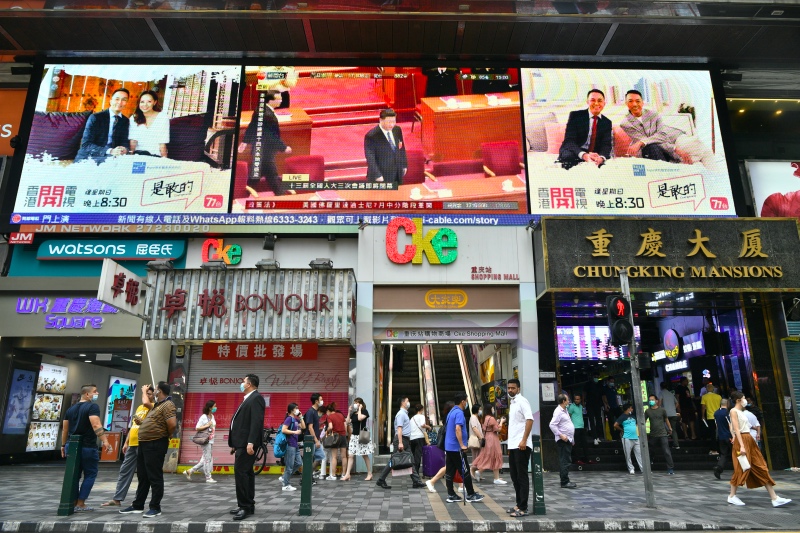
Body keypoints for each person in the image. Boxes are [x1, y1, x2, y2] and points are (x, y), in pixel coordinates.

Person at [620, 89, 718, 170]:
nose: (634, 104)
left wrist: (641, 142)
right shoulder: (625, 124)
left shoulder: (653, 114)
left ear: (642, 102)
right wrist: (674, 148)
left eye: (638, 101)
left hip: (675, 137)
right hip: (663, 147)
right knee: (698, 156)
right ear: (626, 103)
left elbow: (661, 135)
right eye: (630, 101)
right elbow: (651, 142)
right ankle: (707, 174)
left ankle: (715, 177)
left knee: (703, 151)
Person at [120, 381, 176, 518]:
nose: (154, 391)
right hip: (144, 444)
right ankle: (138, 505)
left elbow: (172, 424)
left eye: (156, 389)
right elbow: (156, 422)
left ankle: (155, 507)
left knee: (154, 475)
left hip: (155, 444)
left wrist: (165, 434)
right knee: (143, 476)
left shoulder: (168, 405)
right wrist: (143, 423)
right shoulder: (157, 406)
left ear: (160, 391)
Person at [727, 391, 791, 507]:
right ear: (738, 400)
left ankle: (774, 498)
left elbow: (742, 426)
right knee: (741, 468)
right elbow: (736, 429)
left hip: (749, 440)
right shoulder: (733, 411)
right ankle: (732, 496)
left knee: (760, 466)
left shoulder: (741, 412)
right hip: (742, 440)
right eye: (743, 398)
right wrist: (741, 445)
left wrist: (755, 429)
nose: (745, 400)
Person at [60, 384, 114, 512]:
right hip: (88, 446)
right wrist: (105, 442)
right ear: (87, 394)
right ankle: (81, 503)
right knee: (90, 474)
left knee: (74, 475)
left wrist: (63, 445)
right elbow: (96, 425)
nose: (97, 394)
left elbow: (65, 429)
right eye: (95, 392)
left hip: (71, 446)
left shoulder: (70, 409)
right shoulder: (92, 407)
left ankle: (73, 502)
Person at [102, 385, 155, 507]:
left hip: (144, 443)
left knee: (144, 474)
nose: (147, 395)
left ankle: (140, 501)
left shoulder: (153, 407)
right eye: (146, 393)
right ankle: (117, 499)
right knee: (125, 470)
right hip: (133, 443)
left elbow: (146, 403)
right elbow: (133, 427)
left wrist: (143, 391)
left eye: (150, 393)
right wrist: (126, 442)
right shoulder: (139, 408)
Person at [226, 374, 265, 521]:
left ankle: (245, 506)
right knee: (246, 473)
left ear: (249, 384)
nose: (241, 384)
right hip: (241, 443)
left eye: (243, 381)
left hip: (247, 444)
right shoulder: (248, 399)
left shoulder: (256, 398)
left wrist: (250, 442)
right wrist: (236, 444)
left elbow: (256, 422)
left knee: (241, 473)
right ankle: (247, 504)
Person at [238, 90, 292, 195]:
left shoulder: (260, 109)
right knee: (273, 179)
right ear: (270, 101)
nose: (281, 101)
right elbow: (270, 135)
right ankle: (283, 200)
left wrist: (245, 142)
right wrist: (284, 148)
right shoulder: (268, 115)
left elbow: (252, 126)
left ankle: (241, 195)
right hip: (266, 152)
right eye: (278, 99)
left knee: (255, 177)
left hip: (259, 151)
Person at [375, 396, 426, 490]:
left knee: (411, 459)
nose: (408, 402)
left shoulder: (404, 414)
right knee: (393, 460)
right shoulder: (401, 414)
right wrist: (400, 442)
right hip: (401, 440)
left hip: (405, 440)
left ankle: (416, 481)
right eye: (407, 401)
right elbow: (399, 428)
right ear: (403, 403)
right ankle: (381, 479)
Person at [444, 393, 484, 503]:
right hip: (457, 448)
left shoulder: (451, 412)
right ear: (462, 401)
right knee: (465, 470)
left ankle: (451, 494)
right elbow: (458, 429)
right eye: (466, 401)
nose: (466, 403)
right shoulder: (459, 413)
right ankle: (471, 494)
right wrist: (462, 444)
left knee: (450, 471)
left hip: (449, 447)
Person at [558, 89, 612, 169]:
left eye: (600, 101)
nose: (596, 103)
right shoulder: (575, 116)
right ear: (588, 102)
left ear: (604, 103)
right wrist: (583, 155)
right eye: (592, 100)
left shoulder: (607, 122)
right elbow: (569, 140)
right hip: (574, 150)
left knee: (604, 166)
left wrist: (601, 158)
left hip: (593, 154)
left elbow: (606, 145)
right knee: (568, 157)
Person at [75, 88, 130, 163]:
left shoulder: (125, 121)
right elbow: (86, 144)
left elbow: (124, 141)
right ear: (111, 101)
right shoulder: (96, 117)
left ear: (126, 103)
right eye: (117, 99)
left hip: (111, 158)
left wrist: (124, 149)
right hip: (89, 156)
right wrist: (110, 151)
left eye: (124, 100)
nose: (120, 102)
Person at [507, 378, 534, 517]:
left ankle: (524, 508)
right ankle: (518, 504)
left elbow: (530, 420)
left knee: (522, 476)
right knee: (514, 476)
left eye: (513, 388)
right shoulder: (513, 403)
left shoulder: (522, 401)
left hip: (522, 445)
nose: (510, 390)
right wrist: (510, 446)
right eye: (509, 388)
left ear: (518, 388)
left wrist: (524, 440)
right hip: (514, 445)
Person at [364, 108, 407, 186]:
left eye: (394, 121)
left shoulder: (397, 130)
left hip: (397, 172)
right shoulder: (372, 136)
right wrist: (377, 175)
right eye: (389, 122)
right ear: (381, 120)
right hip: (382, 175)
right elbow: (370, 158)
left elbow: (401, 148)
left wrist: (404, 164)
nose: (392, 125)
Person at [471, 403, 507, 485]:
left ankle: (494, 476)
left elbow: (490, 427)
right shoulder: (491, 418)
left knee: (489, 456)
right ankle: (493, 477)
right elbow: (498, 429)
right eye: (492, 409)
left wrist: (496, 422)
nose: (493, 410)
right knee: (496, 455)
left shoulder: (484, 418)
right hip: (493, 438)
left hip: (486, 437)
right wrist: (501, 422)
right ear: (490, 409)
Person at [184, 399, 217, 483]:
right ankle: (208, 477)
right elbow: (197, 427)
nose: (216, 408)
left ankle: (189, 471)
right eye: (214, 406)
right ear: (210, 408)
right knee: (207, 459)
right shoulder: (203, 417)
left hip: (211, 440)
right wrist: (207, 425)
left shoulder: (212, 416)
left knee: (204, 460)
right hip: (206, 440)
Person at [129, 90, 169, 158]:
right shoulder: (134, 118)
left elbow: (162, 143)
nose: (145, 104)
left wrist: (164, 160)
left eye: (149, 101)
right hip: (138, 155)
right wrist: (130, 157)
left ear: (154, 102)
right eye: (142, 102)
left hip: (155, 156)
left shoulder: (162, 117)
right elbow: (133, 141)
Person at [549, 393, 577, 489]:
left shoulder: (565, 410)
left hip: (568, 439)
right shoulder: (558, 411)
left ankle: (565, 479)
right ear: (563, 401)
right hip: (563, 440)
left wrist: (571, 439)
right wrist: (561, 435)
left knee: (566, 459)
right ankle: (564, 481)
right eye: (567, 400)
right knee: (565, 460)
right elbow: (552, 425)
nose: (569, 401)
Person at [343, 397, 374, 481]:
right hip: (354, 436)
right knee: (351, 455)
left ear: (361, 404)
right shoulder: (353, 413)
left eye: (357, 403)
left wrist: (360, 409)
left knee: (365, 455)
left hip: (362, 435)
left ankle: (369, 473)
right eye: (355, 402)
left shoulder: (365, 411)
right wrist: (349, 412)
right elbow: (347, 421)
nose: (355, 404)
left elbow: (360, 418)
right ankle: (347, 474)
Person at [644, 394, 674, 475]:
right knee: (651, 450)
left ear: (657, 401)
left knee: (666, 451)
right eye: (650, 400)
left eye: (652, 400)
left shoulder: (662, 410)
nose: (651, 401)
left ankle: (670, 468)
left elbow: (666, 420)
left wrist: (670, 428)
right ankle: (651, 460)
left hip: (663, 433)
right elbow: (643, 421)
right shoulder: (647, 411)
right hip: (653, 434)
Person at [279, 403, 306, 492]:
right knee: (289, 466)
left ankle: (284, 477)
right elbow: (284, 429)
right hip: (290, 445)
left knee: (299, 463)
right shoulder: (289, 419)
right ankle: (286, 485)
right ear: (291, 410)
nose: (297, 410)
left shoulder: (295, 419)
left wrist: (301, 417)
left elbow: (303, 426)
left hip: (295, 445)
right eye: (296, 408)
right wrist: (294, 432)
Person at [614, 403, 642, 474]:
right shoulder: (622, 416)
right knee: (628, 454)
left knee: (639, 454)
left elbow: (636, 426)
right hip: (627, 438)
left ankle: (643, 468)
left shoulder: (633, 417)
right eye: (631, 408)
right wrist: (622, 430)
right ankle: (631, 468)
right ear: (628, 408)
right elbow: (615, 425)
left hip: (636, 437)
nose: (632, 409)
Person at [304, 394, 326, 479]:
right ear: (316, 401)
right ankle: (306, 478)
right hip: (311, 440)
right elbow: (310, 427)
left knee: (321, 456)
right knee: (309, 460)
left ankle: (311, 473)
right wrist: (316, 440)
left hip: (315, 439)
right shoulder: (311, 411)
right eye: (321, 399)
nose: (322, 401)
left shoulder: (315, 412)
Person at [325, 402, 347, 480]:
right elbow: (345, 425)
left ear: (328, 410)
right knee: (344, 456)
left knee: (334, 457)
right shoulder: (341, 415)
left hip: (335, 437)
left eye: (326, 412)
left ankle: (333, 475)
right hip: (343, 436)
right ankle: (344, 474)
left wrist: (327, 431)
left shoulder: (330, 417)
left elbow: (330, 427)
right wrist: (344, 434)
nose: (326, 414)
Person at [713, 399, 733, 480]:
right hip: (729, 436)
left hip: (721, 436)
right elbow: (730, 425)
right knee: (736, 453)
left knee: (724, 454)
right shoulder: (727, 413)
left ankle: (719, 467)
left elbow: (716, 425)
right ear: (727, 404)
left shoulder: (716, 413)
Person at [409, 403, 430, 478]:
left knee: (414, 456)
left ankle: (413, 472)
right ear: (421, 409)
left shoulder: (412, 418)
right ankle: (416, 474)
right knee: (418, 457)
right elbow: (422, 425)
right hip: (419, 438)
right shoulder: (421, 416)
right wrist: (428, 427)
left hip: (412, 438)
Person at [700, 384, 722, 452]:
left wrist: (703, 416)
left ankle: (714, 448)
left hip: (710, 416)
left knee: (712, 433)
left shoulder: (704, 397)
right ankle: (721, 447)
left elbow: (703, 407)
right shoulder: (718, 396)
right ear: (713, 389)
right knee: (720, 432)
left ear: (706, 389)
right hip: (719, 416)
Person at [568, 393, 588, 465]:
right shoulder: (571, 407)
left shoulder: (581, 406)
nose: (576, 400)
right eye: (575, 399)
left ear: (580, 400)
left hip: (581, 427)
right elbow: (568, 417)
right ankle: (577, 459)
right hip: (575, 428)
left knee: (584, 443)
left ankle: (586, 459)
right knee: (576, 445)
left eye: (578, 399)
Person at [659, 382, 681, 449]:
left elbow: (659, 402)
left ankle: (665, 444)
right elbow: (677, 403)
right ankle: (676, 445)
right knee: (673, 429)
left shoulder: (661, 393)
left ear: (661, 387)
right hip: (673, 414)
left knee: (662, 427)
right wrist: (673, 408)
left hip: (666, 414)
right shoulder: (671, 394)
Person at [585, 373, 605, 444]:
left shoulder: (600, 385)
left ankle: (598, 436)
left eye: (597, 377)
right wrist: (583, 402)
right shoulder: (588, 384)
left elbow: (603, 395)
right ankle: (594, 437)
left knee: (599, 421)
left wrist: (605, 404)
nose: (596, 378)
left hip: (598, 405)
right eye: (595, 377)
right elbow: (584, 393)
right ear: (592, 377)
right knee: (592, 421)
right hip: (590, 405)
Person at [467, 403, 484, 480]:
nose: (481, 410)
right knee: (476, 457)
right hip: (476, 439)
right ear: (477, 410)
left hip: (478, 439)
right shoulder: (473, 417)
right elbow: (474, 428)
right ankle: (472, 470)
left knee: (478, 456)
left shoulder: (476, 418)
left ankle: (477, 474)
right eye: (480, 409)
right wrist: (481, 437)